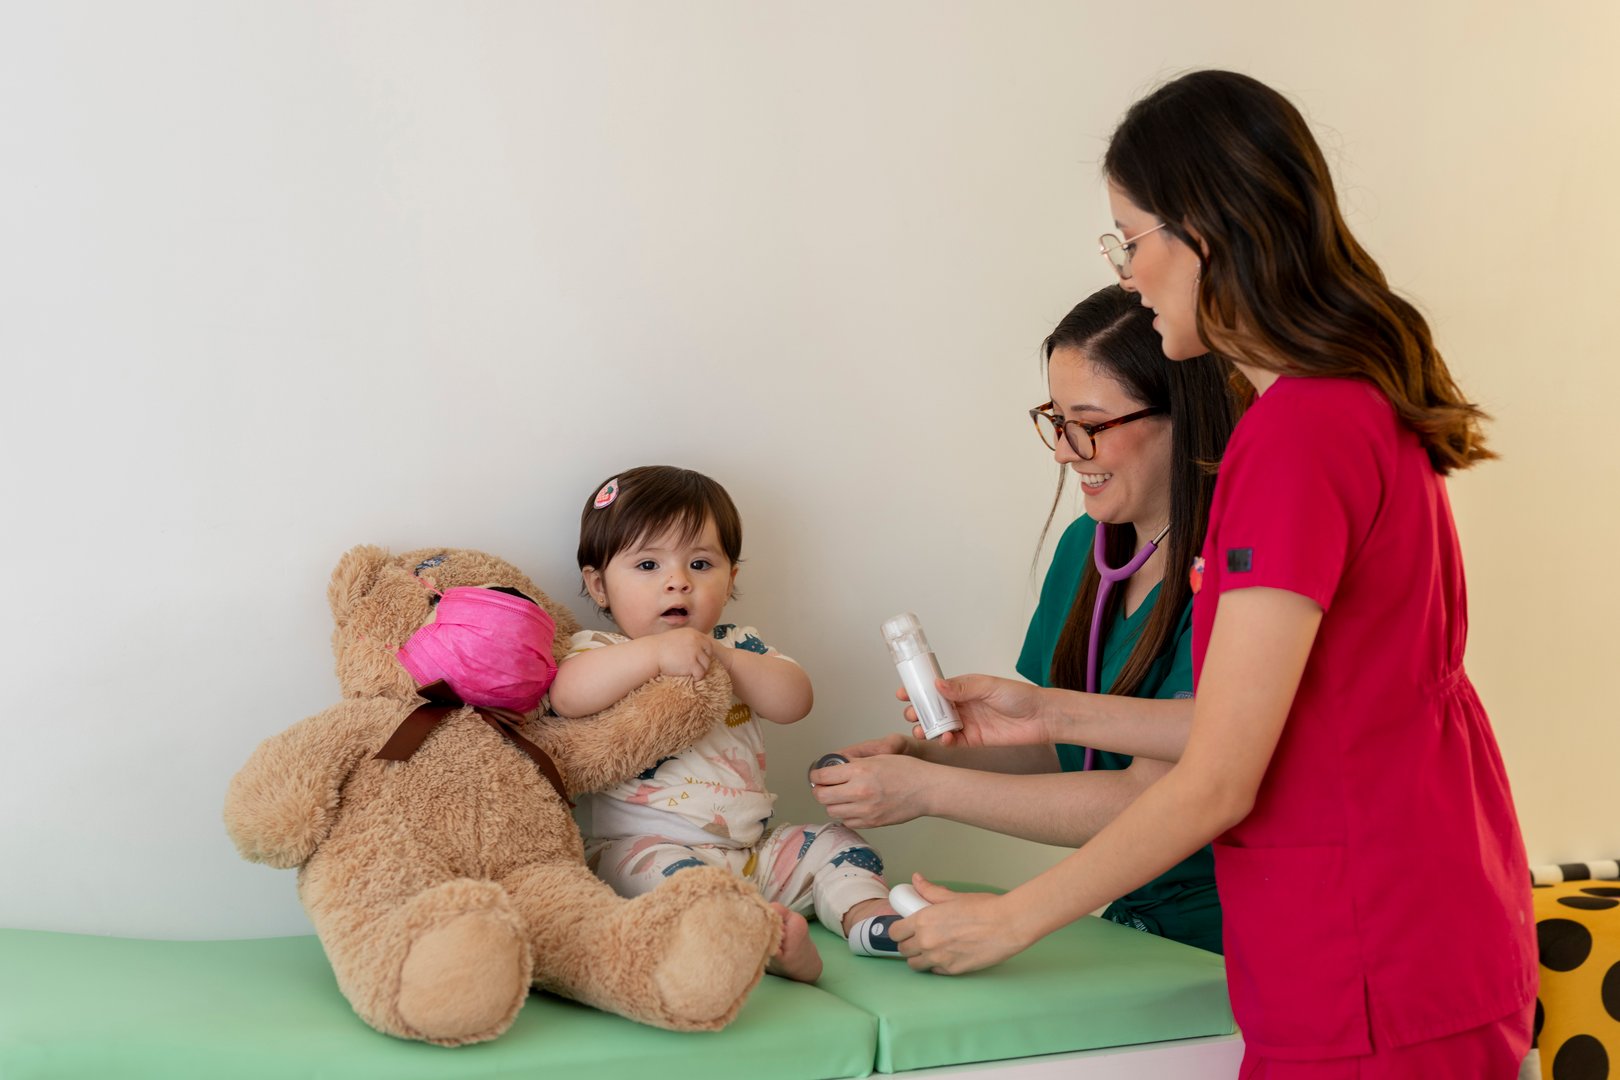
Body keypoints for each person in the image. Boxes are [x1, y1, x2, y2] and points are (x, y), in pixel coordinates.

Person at [890, 71, 1536, 1078]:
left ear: (1207, 233)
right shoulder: (1341, 409)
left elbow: (1221, 777)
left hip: (1371, 951)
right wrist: (1049, 713)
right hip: (1391, 934)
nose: (1131, 276)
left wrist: (1010, 919)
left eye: (1131, 237)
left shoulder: (1301, 435)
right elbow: (1259, 716)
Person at [811, 284, 1238, 953]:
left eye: (1090, 424)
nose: (1065, 452)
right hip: (1136, 925)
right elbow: (1066, 753)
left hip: (1228, 929)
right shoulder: (1085, 550)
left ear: (1182, 415)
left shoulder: (1234, 573)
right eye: (1056, 420)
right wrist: (918, 755)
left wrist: (930, 789)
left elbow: (1152, 797)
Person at [548, 465, 903, 983]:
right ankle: (759, 941)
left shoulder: (739, 645)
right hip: (646, 849)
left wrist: (727, 660)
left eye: (700, 563)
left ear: (731, 578)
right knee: (673, 888)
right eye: (647, 564)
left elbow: (794, 700)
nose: (677, 581)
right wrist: (654, 655)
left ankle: (869, 921)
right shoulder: (601, 650)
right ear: (598, 585)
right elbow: (566, 696)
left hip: (754, 853)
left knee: (836, 843)